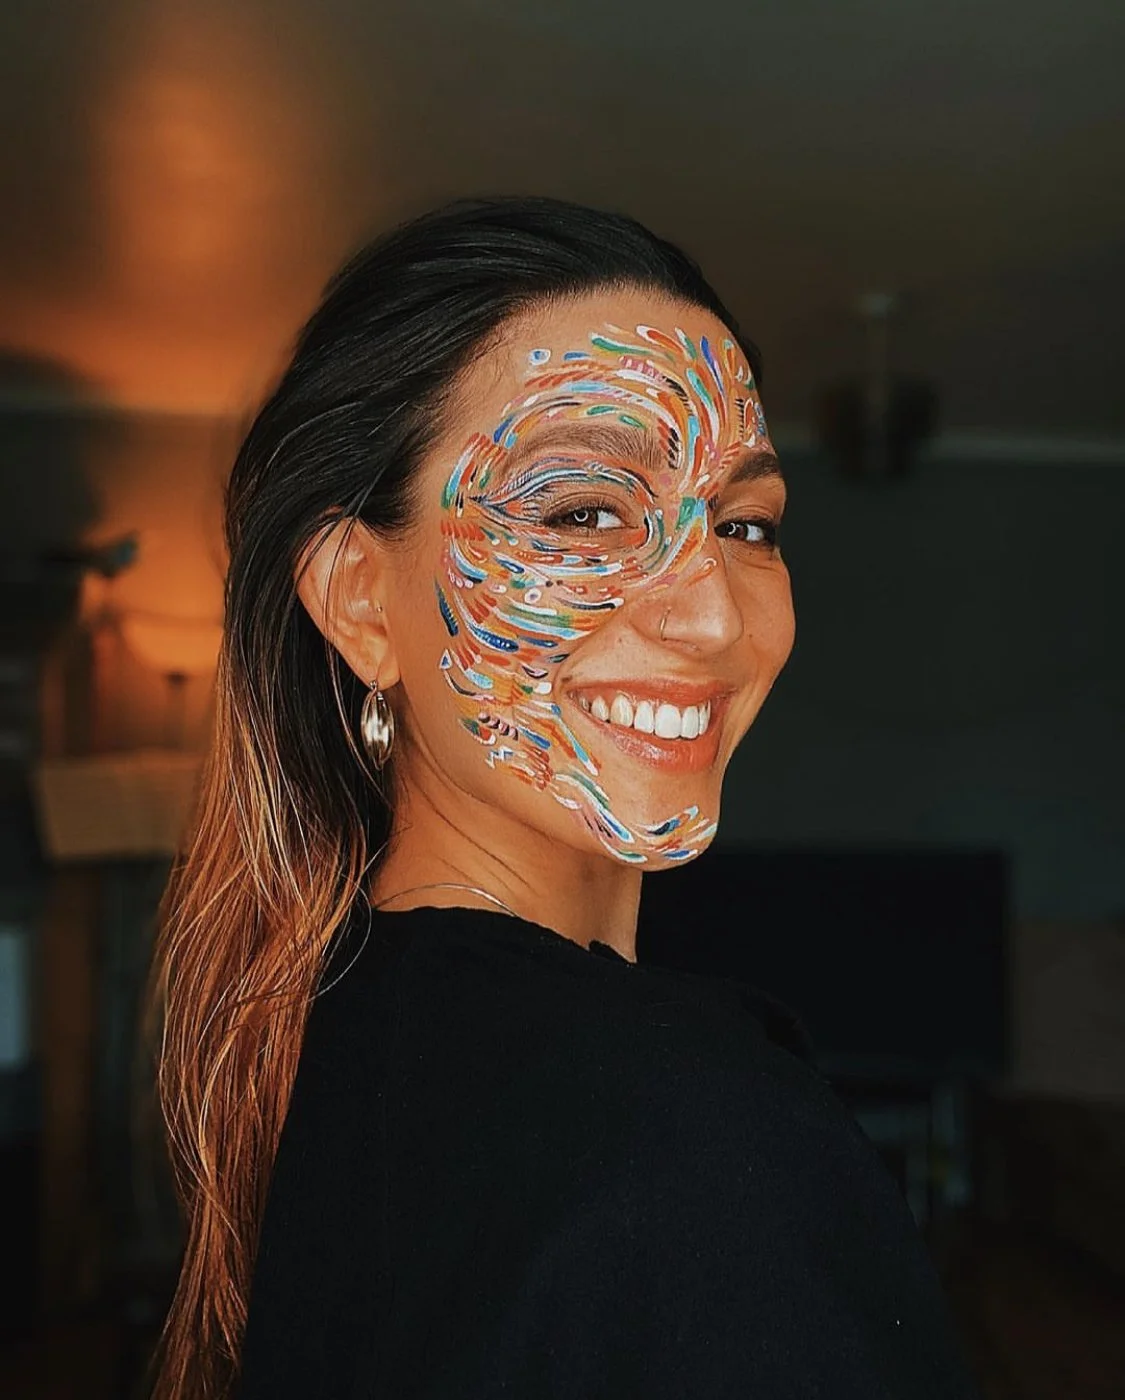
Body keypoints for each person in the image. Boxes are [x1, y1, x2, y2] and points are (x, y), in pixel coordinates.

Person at [148, 197, 981, 1398]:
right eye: (584, 510)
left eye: (746, 522)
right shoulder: (690, 1123)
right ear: (358, 598)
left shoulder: (322, 1041)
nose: (714, 615)